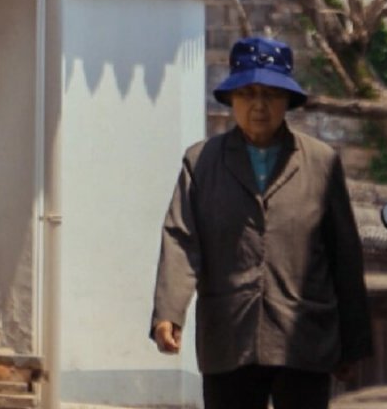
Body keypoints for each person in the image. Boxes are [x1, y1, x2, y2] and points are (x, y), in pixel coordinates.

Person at [150, 35, 373, 409]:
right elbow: (181, 239)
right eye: (248, 93)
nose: (259, 105)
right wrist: (168, 312)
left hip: (302, 337)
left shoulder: (321, 162)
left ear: (286, 100)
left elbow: (344, 254)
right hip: (229, 333)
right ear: (231, 99)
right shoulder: (202, 162)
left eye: (270, 94)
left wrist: (351, 341)